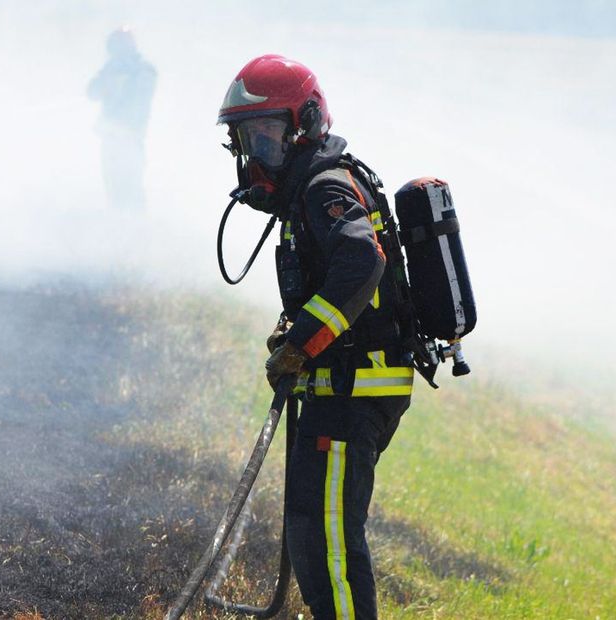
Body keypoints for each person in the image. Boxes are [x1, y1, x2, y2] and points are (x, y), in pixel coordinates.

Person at [217, 54, 415, 620]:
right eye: (247, 142)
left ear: (305, 125)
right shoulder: (307, 192)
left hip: (355, 393)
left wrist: (302, 343)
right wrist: (297, 333)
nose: (256, 157)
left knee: (330, 547)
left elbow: (360, 260)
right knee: (310, 532)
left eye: (266, 138)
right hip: (336, 390)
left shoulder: (325, 187)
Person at [86, 27, 156, 210]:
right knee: (112, 186)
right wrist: (109, 78)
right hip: (110, 139)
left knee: (131, 187)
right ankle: (117, 224)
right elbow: (92, 92)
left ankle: (137, 226)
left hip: (131, 139)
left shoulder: (143, 70)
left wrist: (125, 79)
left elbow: (140, 97)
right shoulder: (110, 69)